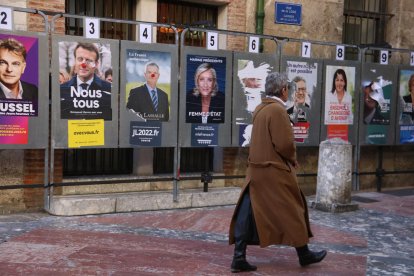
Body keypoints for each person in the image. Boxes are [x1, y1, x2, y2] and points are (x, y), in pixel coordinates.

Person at [228, 72, 327, 273]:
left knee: (247, 212)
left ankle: (239, 257)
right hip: (274, 170)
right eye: (287, 89)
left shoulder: (260, 108)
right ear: (282, 90)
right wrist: (292, 158)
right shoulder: (277, 110)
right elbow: (284, 144)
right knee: (294, 208)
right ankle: (304, 254)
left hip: (255, 171)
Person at [60, 42, 112, 120]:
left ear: (96, 64)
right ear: (75, 61)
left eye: (89, 60)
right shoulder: (62, 90)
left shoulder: (108, 90)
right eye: (80, 59)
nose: (83, 64)